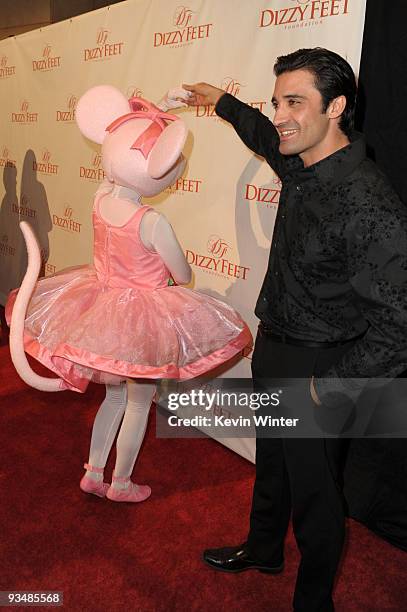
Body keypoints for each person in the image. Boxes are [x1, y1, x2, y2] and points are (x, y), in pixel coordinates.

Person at [182, 47, 407, 611]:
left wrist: (330, 387)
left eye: (296, 102)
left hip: (321, 366)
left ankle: (313, 601)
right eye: (278, 100)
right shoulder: (300, 161)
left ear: (337, 107)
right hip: (278, 343)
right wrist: (225, 104)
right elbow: (265, 135)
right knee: (274, 461)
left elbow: (400, 321)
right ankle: (263, 549)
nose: (280, 114)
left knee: (316, 496)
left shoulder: (368, 200)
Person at [6, 87, 252, 504]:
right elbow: (183, 274)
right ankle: (120, 484)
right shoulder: (151, 221)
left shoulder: (100, 200)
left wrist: (163, 106)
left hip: (102, 309)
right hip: (141, 321)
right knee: (139, 403)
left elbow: (123, 153)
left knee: (113, 396)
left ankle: (93, 472)